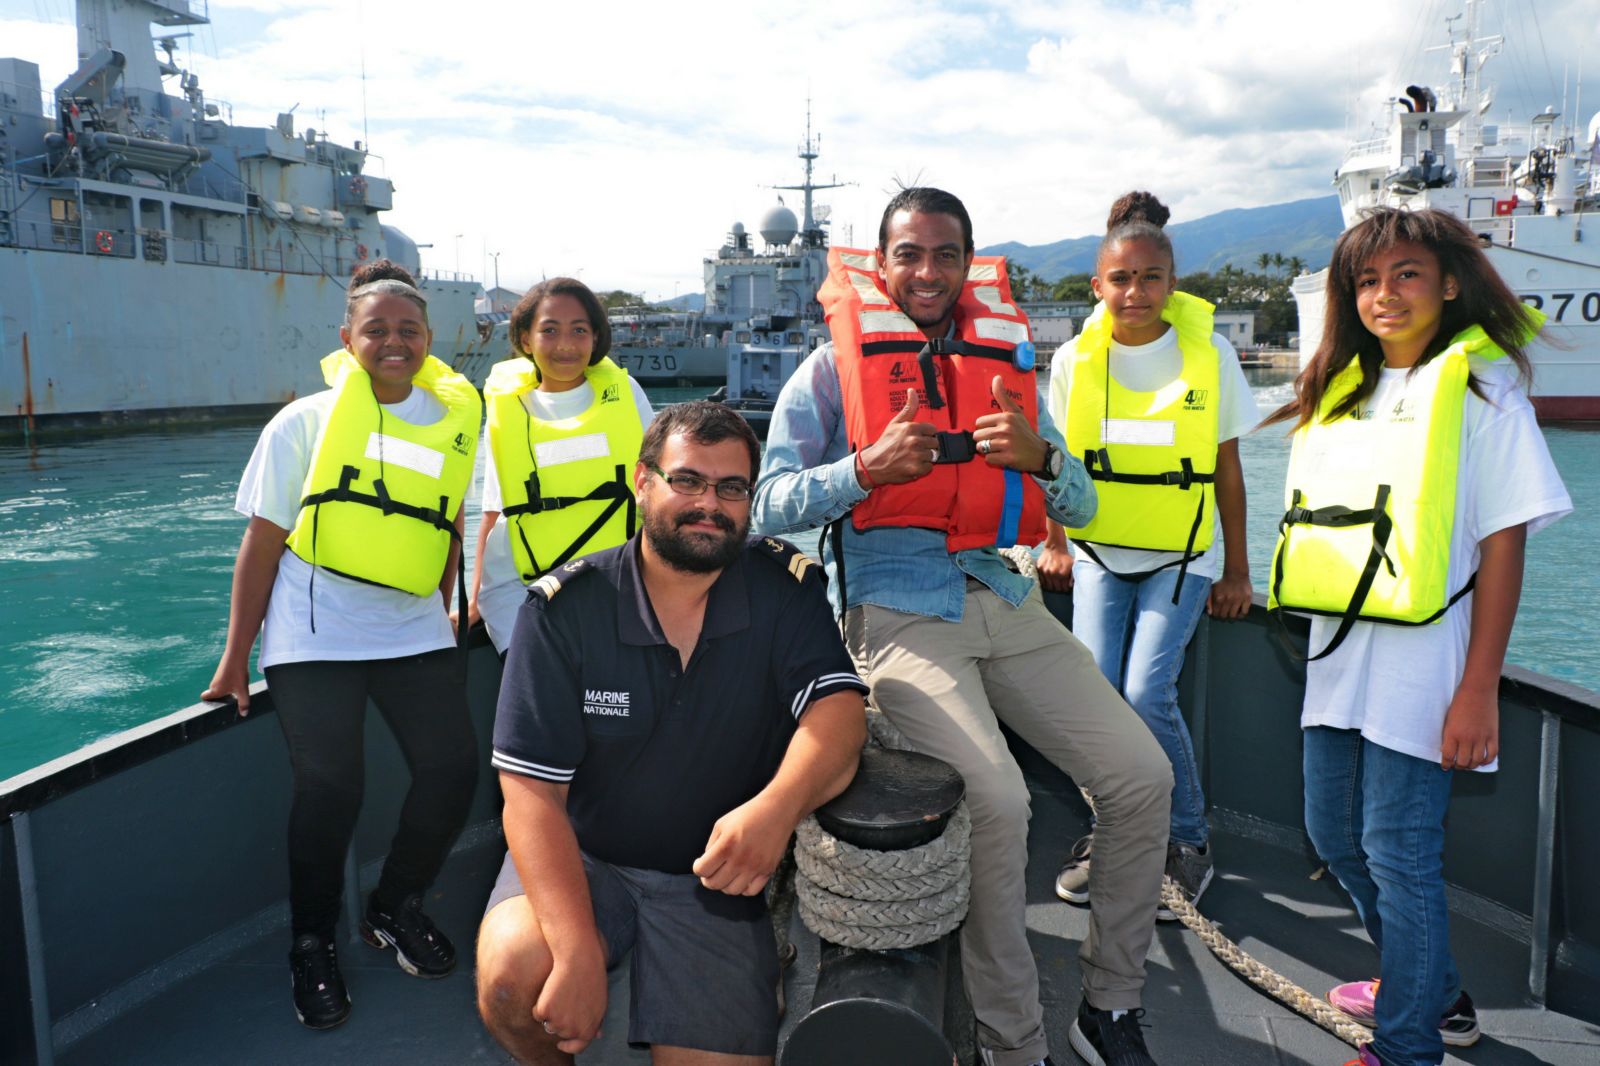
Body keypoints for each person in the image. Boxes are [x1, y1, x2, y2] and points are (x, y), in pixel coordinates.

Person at [752, 187, 1173, 1066]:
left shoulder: (1005, 359)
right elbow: (767, 504)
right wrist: (861, 470)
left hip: (1003, 595)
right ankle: (1011, 1040)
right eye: (910, 254)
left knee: (1142, 776)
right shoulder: (832, 368)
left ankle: (1110, 1005)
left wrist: (1043, 459)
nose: (929, 272)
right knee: (1000, 802)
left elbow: (1085, 506)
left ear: (968, 262)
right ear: (882, 262)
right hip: (897, 610)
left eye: (947, 255)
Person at [1262, 208, 1570, 1066]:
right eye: (1366, 280)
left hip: (1426, 670)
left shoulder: (1482, 389)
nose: (1384, 294)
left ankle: (1408, 1045)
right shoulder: (1343, 391)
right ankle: (1429, 986)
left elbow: (1503, 549)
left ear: (1448, 283)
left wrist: (1480, 687)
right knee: (1333, 837)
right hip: (1338, 662)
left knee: (1398, 854)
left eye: (1404, 274)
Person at [476, 401, 868, 1065]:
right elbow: (531, 795)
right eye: (687, 481)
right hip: (585, 857)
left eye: (731, 488)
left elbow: (839, 717)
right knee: (518, 979)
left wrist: (774, 813)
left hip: (714, 878)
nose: (708, 504)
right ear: (643, 482)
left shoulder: (784, 591)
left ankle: (754, 964)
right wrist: (574, 956)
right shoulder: (566, 611)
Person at [202, 260, 482, 1029]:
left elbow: (447, 522)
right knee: (332, 786)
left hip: (412, 627)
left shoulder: (455, 421)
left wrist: (448, 607)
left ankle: (394, 904)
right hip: (314, 629)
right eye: (377, 330)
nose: (394, 343)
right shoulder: (303, 423)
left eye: (409, 331)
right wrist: (236, 658)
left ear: (431, 340)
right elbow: (261, 547)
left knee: (453, 767)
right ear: (346, 338)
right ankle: (311, 941)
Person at [1041, 191, 1259, 918]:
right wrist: (1055, 543)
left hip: (1181, 557)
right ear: (1097, 286)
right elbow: (1057, 464)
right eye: (1120, 279)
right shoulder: (1075, 360)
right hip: (1102, 551)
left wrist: (1237, 568)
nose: (1135, 293)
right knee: (1095, 692)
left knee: (1144, 693)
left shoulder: (1211, 354)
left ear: (1172, 281)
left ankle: (1187, 838)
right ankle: (1115, 830)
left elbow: (1227, 469)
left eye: (1150, 277)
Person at [469, 276, 654, 656]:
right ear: (525, 339)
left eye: (579, 330)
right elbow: (493, 514)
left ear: (596, 337)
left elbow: (659, 492)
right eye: (549, 330)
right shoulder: (508, 412)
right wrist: (471, 605)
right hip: (523, 597)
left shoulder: (626, 394)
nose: (566, 345)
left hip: (619, 591)